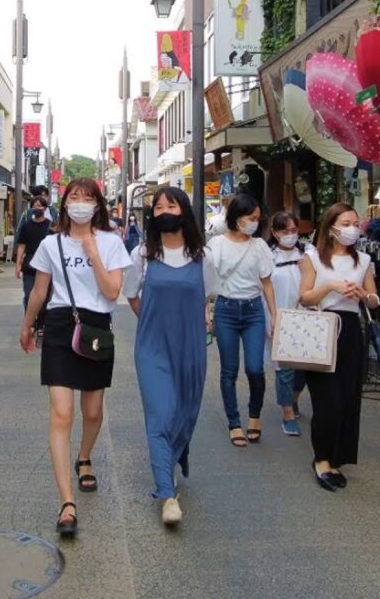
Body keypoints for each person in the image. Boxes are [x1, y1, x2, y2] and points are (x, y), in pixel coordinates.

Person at [19, 178, 132, 538]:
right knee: (62, 413)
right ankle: (67, 502)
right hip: (58, 325)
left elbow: (113, 292)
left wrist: (93, 250)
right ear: (63, 203)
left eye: (87, 198)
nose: (80, 203)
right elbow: (39, 290)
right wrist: (27, 326)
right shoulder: (51, 244)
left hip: (96, 327)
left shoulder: (112, 243)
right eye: (74, 197)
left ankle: (84, 455)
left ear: (97, 205)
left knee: (93, 412)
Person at [124, 187, 217, 526]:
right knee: (161, 414)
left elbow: (206, 298)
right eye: (158, 205)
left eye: (171, 204)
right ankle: (166, 494)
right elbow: (133, 296)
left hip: (191, 346)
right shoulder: (142, 255)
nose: (163, 209)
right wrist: (153, 324)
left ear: (184, 212)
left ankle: (174, 457)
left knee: (186, 411)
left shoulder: (202, 256)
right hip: (152, 347)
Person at [298, 202, 380, 491]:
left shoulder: (364, 260)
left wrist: (363, 295)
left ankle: (335, 458)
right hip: (321, 330)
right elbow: (305, 297)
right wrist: (331, 286)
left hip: (350, 333)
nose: (352, 229)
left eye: (355, 223)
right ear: (331, 227)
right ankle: (321, 460)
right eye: (346, 223)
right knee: (327, 401)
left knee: (347, 400)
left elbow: (374, 299)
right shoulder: (312, 259)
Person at [209, 193, 278, 447]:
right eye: (251, 218)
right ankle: (234, 423)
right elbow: (208, 280)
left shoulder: (259, 246)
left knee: (255, 367)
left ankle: (254, 416)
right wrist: (207, 311)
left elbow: (267, 283)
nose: (255, 223)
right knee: (229, 370)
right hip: (226, 309)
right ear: (237, 218)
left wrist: (274, 314)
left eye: (258, 219)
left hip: (253, 310)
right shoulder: (217, 245)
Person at [265, 210, 307, 437]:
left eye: (293, 230)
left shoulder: (307, 254)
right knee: (284, 370)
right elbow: (264, 290)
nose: (290, 235)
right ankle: (288, 414)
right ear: (274, 233)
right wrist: (270, 318)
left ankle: (294, 398)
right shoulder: (269, 257)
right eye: (285, 231)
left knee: (304, 367)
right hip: (279, 317)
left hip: (306, 317)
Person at [15, 196, 53, 338]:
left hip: (46, 267)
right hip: (29, 266)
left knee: (45, 297)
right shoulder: (26, 226)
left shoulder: (51, 226)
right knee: (28, 294)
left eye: (40, 205)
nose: (37, 208)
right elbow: (22, 246)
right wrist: (18, 264)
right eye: (35, 205)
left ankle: (42, 323)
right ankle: (30, 322)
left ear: (45, 208)